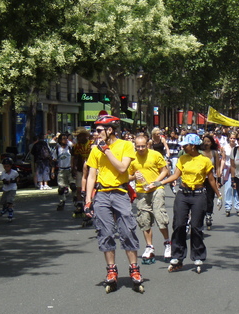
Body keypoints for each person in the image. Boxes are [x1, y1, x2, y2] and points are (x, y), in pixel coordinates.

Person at [146, 133, 222, 273]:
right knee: (179, 224)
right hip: (183, 194)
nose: (183, 147)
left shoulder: (204, 160)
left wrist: (218, 195)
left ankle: (198, 256)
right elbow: (175, 175)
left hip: (199, 195)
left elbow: (211, 179)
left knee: (196, 226)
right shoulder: (182, 158)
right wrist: (159, 182)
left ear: (193, 146)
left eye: (186, 145)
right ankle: (177, 256)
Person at [84, 114, 143, 292]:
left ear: (110, 130)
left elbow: (123, 168)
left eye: (100, 130)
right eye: (96, 130)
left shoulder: (125, 145)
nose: (96, 133)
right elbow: (91, 175)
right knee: (105, 232)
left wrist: (107, 150)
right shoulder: (95, 150)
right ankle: (111, 270)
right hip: (102, 193)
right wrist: (88, 200)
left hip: (120, 192)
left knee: (127, 230)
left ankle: (134, 268)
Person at [128, 134, 172, 263]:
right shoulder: (132, 159)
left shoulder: (155, 155)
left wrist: (156, 182)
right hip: (142, 191)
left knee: (160, 216)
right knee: (144, 219)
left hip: (156, 189)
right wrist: (134, 176)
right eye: (138, 147)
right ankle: (149, 246)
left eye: (143, 146)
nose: (140, 149)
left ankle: (167, 243)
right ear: (135, 146)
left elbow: (164, 171)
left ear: (147, 144)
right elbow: (127, 176)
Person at [199, 134, 223, 231]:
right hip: (200, 178)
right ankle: (200, 215)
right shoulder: (200, 153)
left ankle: (208, 215)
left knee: (210, 198)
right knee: (200, 198)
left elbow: (217, 167)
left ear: (212, 143)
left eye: (208, 141)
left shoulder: (214, 153)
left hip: (211, 178)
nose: (206, 143)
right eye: (205, 141)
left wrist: (218, 180)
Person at [71, 128, 93, 216]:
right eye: (77, 136)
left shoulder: (91, 144)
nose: (79, 138)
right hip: (81, 169)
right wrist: (73, 168)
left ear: (85, 136)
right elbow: (74, 157)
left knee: (90, 188)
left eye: (80, 136)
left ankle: (89, 203)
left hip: (92, 169)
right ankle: (80, 204)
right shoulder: (76, 146)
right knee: (79, 188)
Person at [221, 132, 239, 217]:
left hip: (237, 169)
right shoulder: (225, 148)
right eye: (231, 138)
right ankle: (228, 207)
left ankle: (238, 206)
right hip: (228, 170)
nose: (232, 140)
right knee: (228, 188)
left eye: (234, 138)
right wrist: (220, 170)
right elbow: (223, 159)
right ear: (229, 138)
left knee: (237, 188)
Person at [54, 133, 73, 210]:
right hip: (61, 170)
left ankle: (76, 202)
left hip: (70, 169)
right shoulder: (57, 149)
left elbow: (74, 157)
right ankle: (62, 201)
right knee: (61, 188)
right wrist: (52, 171)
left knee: (73, 186)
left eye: (66, 138)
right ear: (60, 140)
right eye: (63, 139)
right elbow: (54, 160)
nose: (65, 140)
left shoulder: (70, 148)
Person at [0, 157, 19, 222]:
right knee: (3, 201)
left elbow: (17, 178)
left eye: (8, 166)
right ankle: (5, 208)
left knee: (10, 200)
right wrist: (7, 181)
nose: (6, 168)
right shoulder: (3, 173)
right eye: (5, 167)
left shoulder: (14, 172)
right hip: (5, 189)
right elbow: (4, 181)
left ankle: (10, 211)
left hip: (12, 188)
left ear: (10, 166)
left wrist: (15, 180)